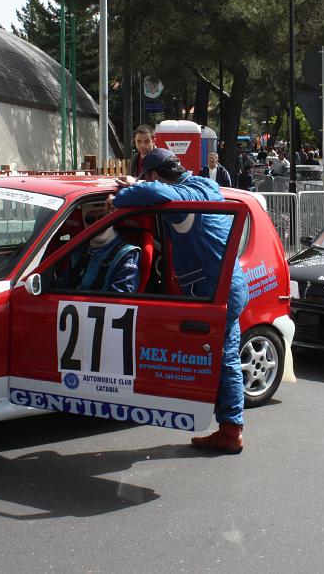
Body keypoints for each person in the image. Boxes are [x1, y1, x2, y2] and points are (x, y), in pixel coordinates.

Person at [111, 149, 250, 453]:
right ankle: (230, 426)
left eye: (148, 177)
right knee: (226, 356)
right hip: (230, 281)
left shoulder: (175, 194)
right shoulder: (205, 185)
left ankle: (229, 430)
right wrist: (139, 181)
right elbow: (156, 189)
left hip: (214, 287)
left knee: (224, 358)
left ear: (155, 175)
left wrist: (128, 189)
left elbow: (135, 197)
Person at [56, 203, 140, 293]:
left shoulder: (126, 253)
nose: (98, 224)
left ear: (111, 218)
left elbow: (121, 298)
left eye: (102, 218)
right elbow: (63, 287)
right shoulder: (78, 251)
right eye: (90, 220)